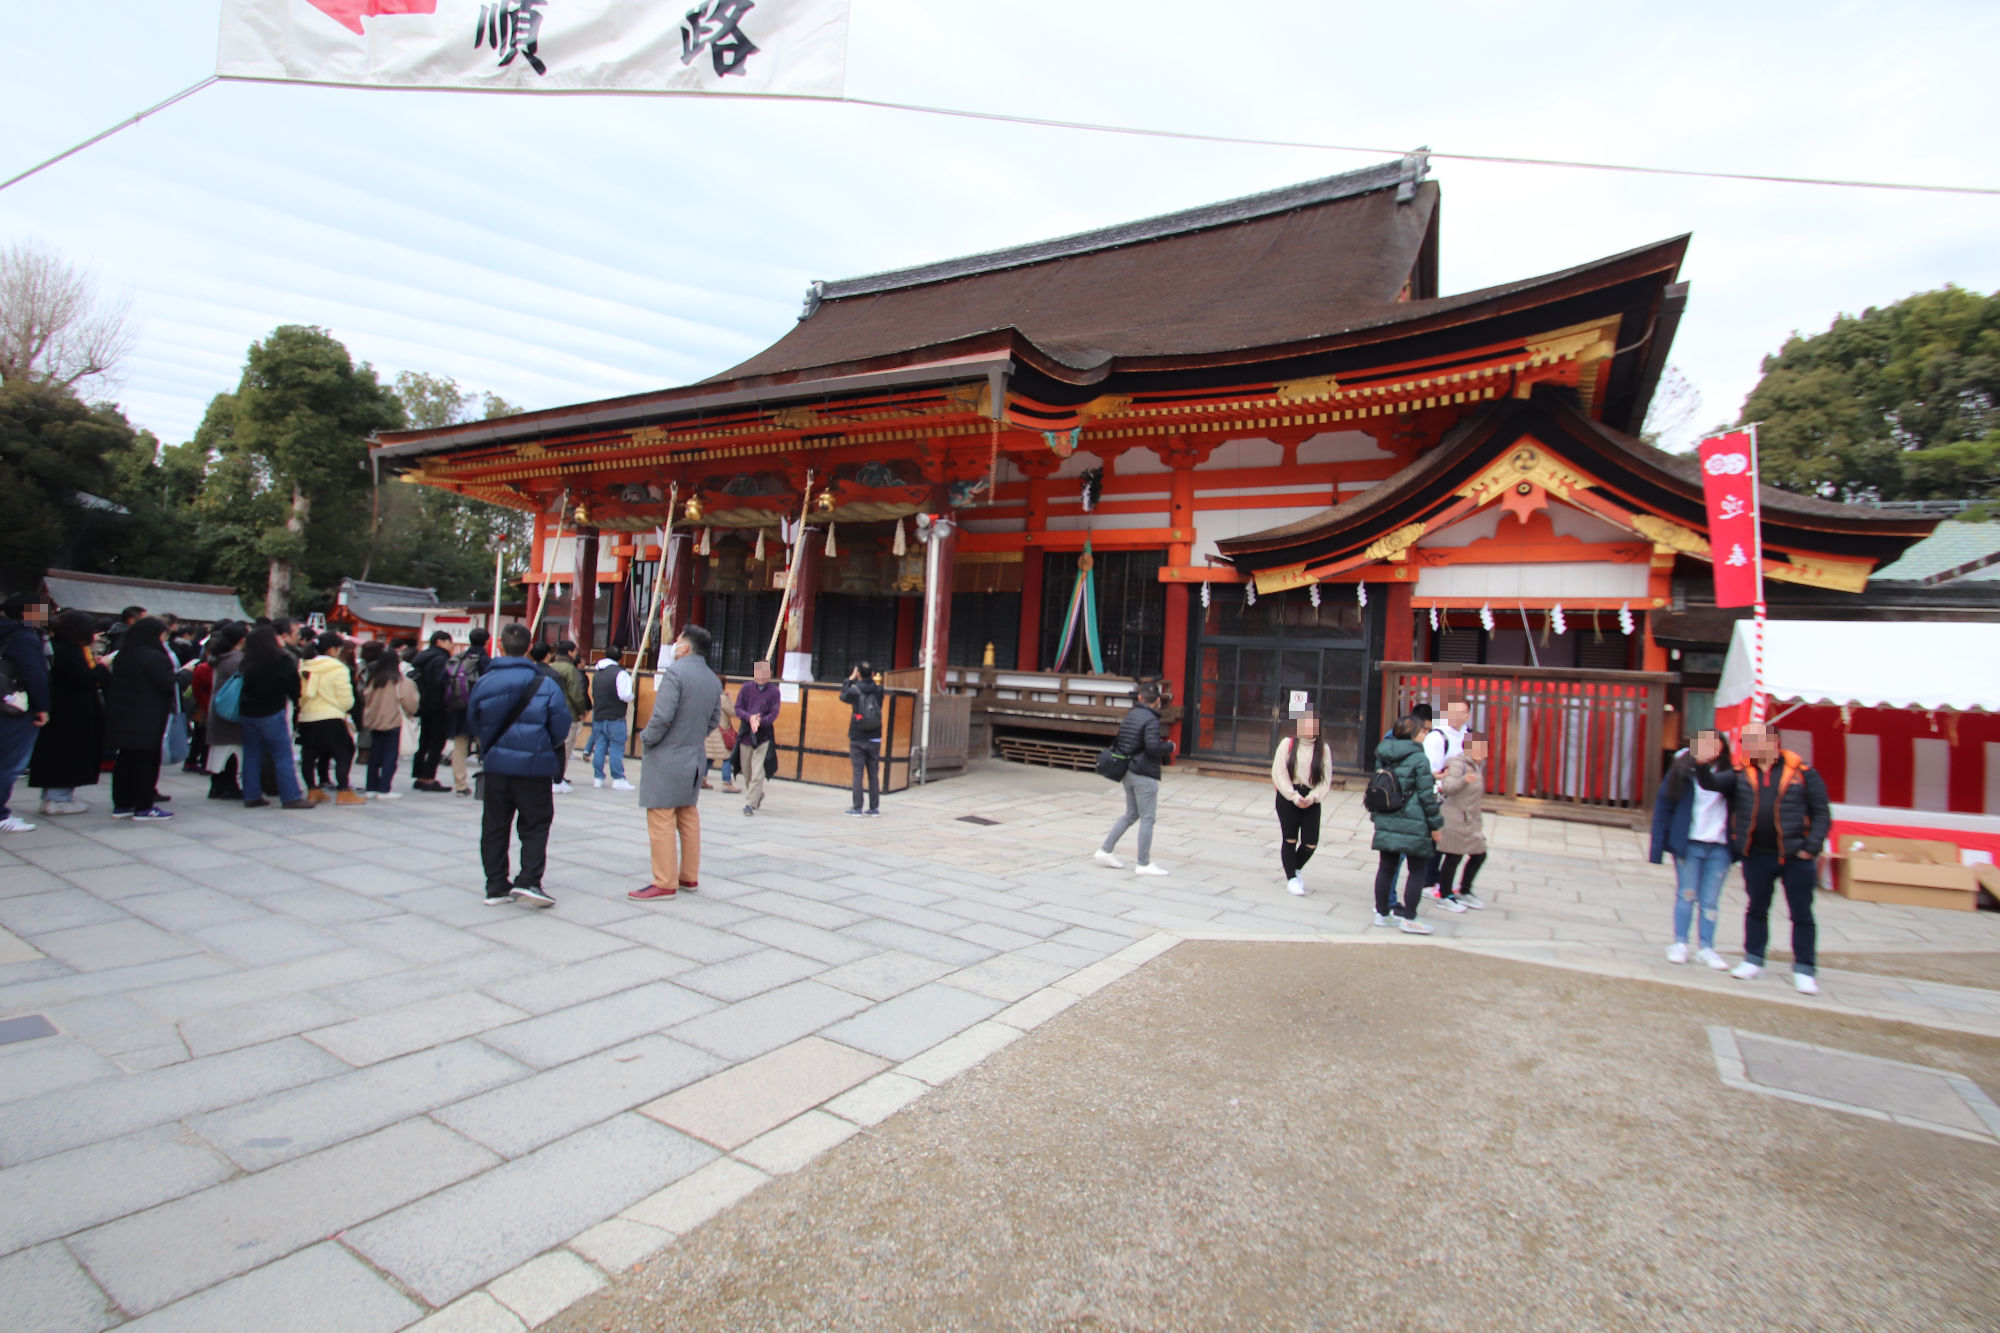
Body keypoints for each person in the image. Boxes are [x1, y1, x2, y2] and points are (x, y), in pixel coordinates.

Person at [1694, 722, 1830, 995]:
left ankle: (1804, 968)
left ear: (1773, 742)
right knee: (1756, 909)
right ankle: (1753, 959)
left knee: (1801, 913)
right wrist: (1701, 764)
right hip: (1757, 854)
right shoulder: (1742, 773)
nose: (1749, 747)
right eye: (1747, 742)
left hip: (1796, 856)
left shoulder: (1802, 773)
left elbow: (1821, 812)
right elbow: (1711, 784)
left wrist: (1811, 847)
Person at [468, 622, 570, 907]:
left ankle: (496, 884)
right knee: (536, 824)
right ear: (529, 648)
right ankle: (529, 879)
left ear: (500, 646)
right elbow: (560, 727)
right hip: (534, 766)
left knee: (494, 825)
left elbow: (474, 720)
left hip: (496, 764)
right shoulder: (545, 684)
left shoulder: (485, 682)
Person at [630, 625, 723, 901]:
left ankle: (664, 880)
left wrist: (647, 738)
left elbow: (662, 717)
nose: (676, 643)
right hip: (694, 755)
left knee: (661, 817)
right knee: (688, 816)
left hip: (667, 756)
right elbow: (714, 720)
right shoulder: (713, 679)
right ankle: (688, 876)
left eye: (679, 639)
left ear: (686, 647)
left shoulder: (675, 674)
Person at [1650, 730, 1734, 970]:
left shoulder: (1730, 774)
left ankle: (1706, 947)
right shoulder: (1682, 770)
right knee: (1686, 894)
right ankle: (1680, 943)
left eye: (1715, 746)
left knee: (1710, 899)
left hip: (1719, 845)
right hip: (1689, 842)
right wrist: (1657, 848)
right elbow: (1664, 806)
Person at [1370, 713, 1444, 934]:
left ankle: (1382, 914)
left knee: (1386, 868)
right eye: (1423, 731)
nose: (1425, 734)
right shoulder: (1419, 759)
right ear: (1413, 733)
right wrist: (1436, 825)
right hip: (1414, 820)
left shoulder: (1383, 754)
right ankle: (1410, 917)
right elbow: (1426, 796)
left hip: (1387, 815)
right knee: (1417, 870)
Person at [32, 609, 109, 816]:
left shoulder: (56, 647)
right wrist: (103, 668)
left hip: (60, 709)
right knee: (68, 753)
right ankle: (59, 799)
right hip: (73, 711)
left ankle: (52, 797)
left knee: (56, 752)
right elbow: (84, 678)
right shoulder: (70, 651)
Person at [1093, 679, 1175, 876]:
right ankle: (1143, 863)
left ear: (1139, 697)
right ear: (1157, 700)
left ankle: (1105, 850)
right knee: (1147, 818)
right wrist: (1169, 747)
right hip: (1144, 772)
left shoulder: (1131, 715)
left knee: (1131, 814)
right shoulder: (1151, 720)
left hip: (1127, 770)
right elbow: (1153, 747)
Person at [104, 617, 178, 821]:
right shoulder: (155, 657)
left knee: (125, 761)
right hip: (148, 717)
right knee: (146, 761)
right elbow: (167, 683)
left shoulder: (124, 655)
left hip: (124, 715)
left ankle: (122, 804)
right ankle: (143, 806)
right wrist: (185, 675)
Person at [236, 624, 311, 810]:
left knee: (251, 754)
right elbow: (293, 687)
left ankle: (251, 795)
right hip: (272, 711)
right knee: (282, 754)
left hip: (248, 712)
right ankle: (291, 796)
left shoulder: (247, 662)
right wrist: (296, 700)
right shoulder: (281, 660)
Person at [0, 592, 53, 833]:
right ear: (26, 612)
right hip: (15, 707)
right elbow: (35, 675)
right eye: (41, 610)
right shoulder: (24, 637)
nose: (47, 616)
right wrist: (42, 707)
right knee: (9, 763)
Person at [1270, 706, 1333, 895]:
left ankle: (1295, 868)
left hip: (1311, 797)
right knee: (1290, 839)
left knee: (1310, 842)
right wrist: (1294, 796)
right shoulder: (1287, 744)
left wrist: (1312, 797)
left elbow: (1325, 780)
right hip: (1288, 796)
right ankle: (1291, 878)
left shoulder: (1323, 749)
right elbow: (1279, 774)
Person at [297, 631, 362, 806]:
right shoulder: (337, 668)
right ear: (333, 649)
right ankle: (343, 791)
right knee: (344, 752)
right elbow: (345, 697)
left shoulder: (304, 665)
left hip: (307, 715)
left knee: (309, 755)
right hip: (331, 716)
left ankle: (313, 789)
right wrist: (346, 708)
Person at [1433, 730, 1491, 912]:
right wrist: (1464, 780)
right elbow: (1448, 788)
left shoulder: (1475, 766)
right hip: (1453, 819)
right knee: (1453, 856)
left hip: (1468, 820)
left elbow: (1474, 800)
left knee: (1479, 853)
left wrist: (1478, 821)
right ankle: (1445, 894)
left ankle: (1464, 890)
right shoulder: (1459, 765)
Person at [360, 641, 419, 798]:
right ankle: (384, 788)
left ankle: (371, 787)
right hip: (394, 721)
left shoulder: (374, 680)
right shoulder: (400, 681)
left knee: (374, 755)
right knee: (390, 756)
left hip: (374, 721)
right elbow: (411, 703)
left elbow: (365, 698)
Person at [531, 642, 587, 794]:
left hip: (536, 712)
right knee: (562, 747)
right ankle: (558, 777)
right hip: (563, 712)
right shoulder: (569, 669)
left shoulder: (544, 668)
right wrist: (581, 710)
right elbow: (575, 693)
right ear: (570, 652)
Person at [202, 623, 247, 800]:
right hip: (232, 710)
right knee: (233, 750)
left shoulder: (219, 657)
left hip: (219, 707)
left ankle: (218, 785)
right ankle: (229, 786)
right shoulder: (237, 660)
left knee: (220, 752)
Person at [446, 627, 491, 796]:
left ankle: (460, 785)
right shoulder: (484, 660)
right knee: (486, 744)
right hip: (478, 708)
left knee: (459, 747)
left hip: (457, 707)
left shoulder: (459, 658)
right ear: (486, 641)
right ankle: (489, 779)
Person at [734, 658, 781, 817]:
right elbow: (738, 708)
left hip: (763, 736)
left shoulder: (774, 692)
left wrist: (760, 721)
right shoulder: (746, 689)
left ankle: (749, 803)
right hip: (746, 734)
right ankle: (757, 794)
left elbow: (774, 713)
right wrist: (750, 718)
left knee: (757, 771)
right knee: (747, 770)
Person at [410, 631, 454, 792]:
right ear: (439, 642)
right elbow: (442, 684)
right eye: (448, 641)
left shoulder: (423, 657)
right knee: (436, 743)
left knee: (424, 741)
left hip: (423, 705)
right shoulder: (441, 660)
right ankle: (429, 777)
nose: (451, 645)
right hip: (438, 706)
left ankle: (419, 775)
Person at [841, 662, 885, 817]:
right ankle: (874, 808)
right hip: (874, 736)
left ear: (858, 673)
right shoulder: (879, 690)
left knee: (858, 773)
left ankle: (857, 807)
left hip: (858, 735)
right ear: (873, 674)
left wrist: (850, 679)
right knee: (873, 773)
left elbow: (843, 696)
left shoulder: (855, 690)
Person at [587, 652, 636, 790]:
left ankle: (598, 777)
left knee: (600, 747)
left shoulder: (597, 674)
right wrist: (632, 696)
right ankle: (618, 777)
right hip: (615, 717)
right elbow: (624, 695)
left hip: (599, 715)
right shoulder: (620, 673)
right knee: (616, 748)